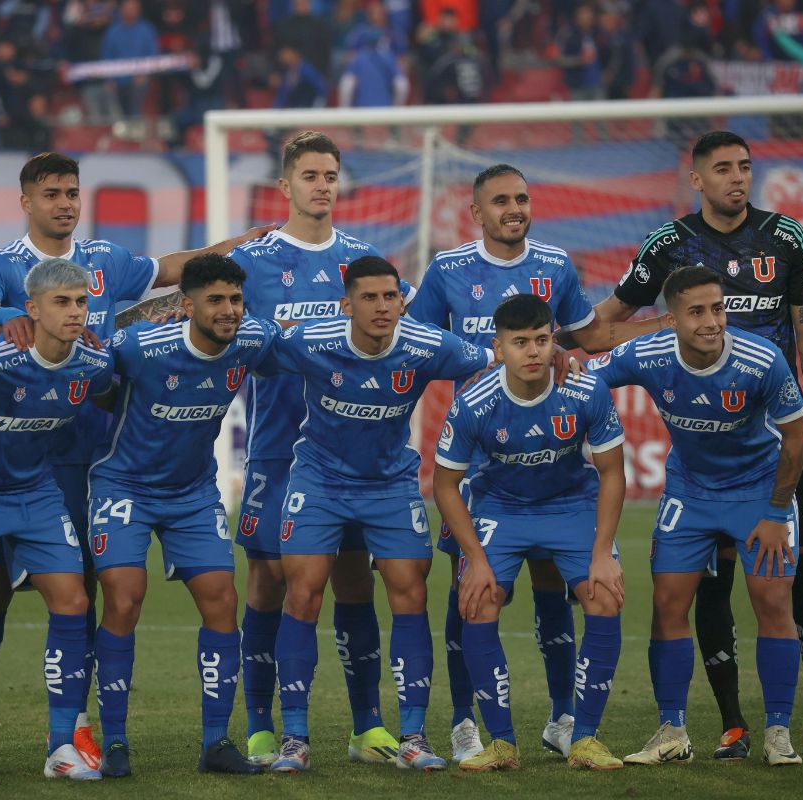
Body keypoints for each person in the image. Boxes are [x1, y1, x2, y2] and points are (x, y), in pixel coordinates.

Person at [0, 151, 272, 770]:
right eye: (51, 193)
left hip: (96, 448)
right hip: (23, 451)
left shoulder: (104, 260)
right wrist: (8, 316)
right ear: (26, 201)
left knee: (90, 591)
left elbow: (173, 270)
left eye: (72, 191)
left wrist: (251, 243)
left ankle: (79, 727)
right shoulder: (0, 266)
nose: (65, 203)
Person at [594, 130, 803, 760]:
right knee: (709, 585)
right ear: (696, 178)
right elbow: (606, 326)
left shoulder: (786, 237)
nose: (737, 178)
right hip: (703, 457)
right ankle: (730, 725)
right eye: (723, 168)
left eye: (745, 168)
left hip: (780, 441)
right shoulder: (669, 245)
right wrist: (552, 341)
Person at [407, 162, 661, 762]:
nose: (514, 209)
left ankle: (566, 718)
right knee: (466, 592)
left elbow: (588, 338)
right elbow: (412, 348)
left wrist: (663, 322)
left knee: (557, 592)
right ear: (477, 212)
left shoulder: (555, 265)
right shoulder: (445, 271)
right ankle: (466, 721)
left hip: (554, 464)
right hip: (487, 465)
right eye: (501, 201)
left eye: (522, 198)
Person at [263, 256, 492, 773]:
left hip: (390, 484)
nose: (383, 306)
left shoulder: (427, 345)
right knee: (302, 592)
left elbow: (492, 357)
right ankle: (294, 737)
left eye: (391, 296)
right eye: (369, 297)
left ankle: (412, 734)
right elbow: (250, 344)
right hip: (318, 479)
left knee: (410, 591)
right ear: (347, 304)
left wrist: (555, 358)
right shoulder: (312, 340)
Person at [227, 131, 405, 767]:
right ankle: (261, 726)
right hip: (277, 450)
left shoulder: (363, 262)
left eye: (331, 175)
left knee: (355, 581)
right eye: (310, 175)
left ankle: (368, 727)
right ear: (285, 186)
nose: (322, 185)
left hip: (353, 456)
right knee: (270, 578)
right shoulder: (252, 262)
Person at [589, 266, 803, 767]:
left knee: (771, 600)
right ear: (672, 319)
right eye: (697, 312)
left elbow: (796, 439)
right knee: (667, 604)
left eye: (718, 308)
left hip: (758, 493)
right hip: (689, 491)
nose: (712, 321)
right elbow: (586, 377)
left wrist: (777, 512)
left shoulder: (760, 359)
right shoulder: (648, 354)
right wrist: (556, 362)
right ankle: (672, 732)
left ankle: (778, 732)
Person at [87, 255, 275, 777]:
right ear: (186, 305)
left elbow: (303, 343)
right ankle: (116, 741)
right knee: (124, 599)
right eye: (215, 300)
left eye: (235, 299)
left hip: (193, 493)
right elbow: (96, 364)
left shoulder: (252, 340)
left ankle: (216, 743)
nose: (229, 310)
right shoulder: (143, 346)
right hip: (124, 485)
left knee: (222, 600)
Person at [0, 260, 116, 783]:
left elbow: (114, 390)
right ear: (32, 310)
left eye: (81, 302)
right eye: (62, 302)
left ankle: (61, 745)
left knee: (74, 600)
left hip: (36, 493)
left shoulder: (91, 365)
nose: (76, 312)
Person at [435, 294, 627, 772]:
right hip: (503, 508)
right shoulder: (474, 403)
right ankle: (501, 743)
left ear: (553, 340)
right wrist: (475, 561)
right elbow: (444, 485)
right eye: (520, 343)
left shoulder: (585, 391)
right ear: (498, 348)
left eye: (542, 340)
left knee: (604, 592)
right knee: (477, 598)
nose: (533, 352)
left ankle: (583, 737)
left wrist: (603, 551)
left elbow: (613, 473)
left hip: (570, 505)